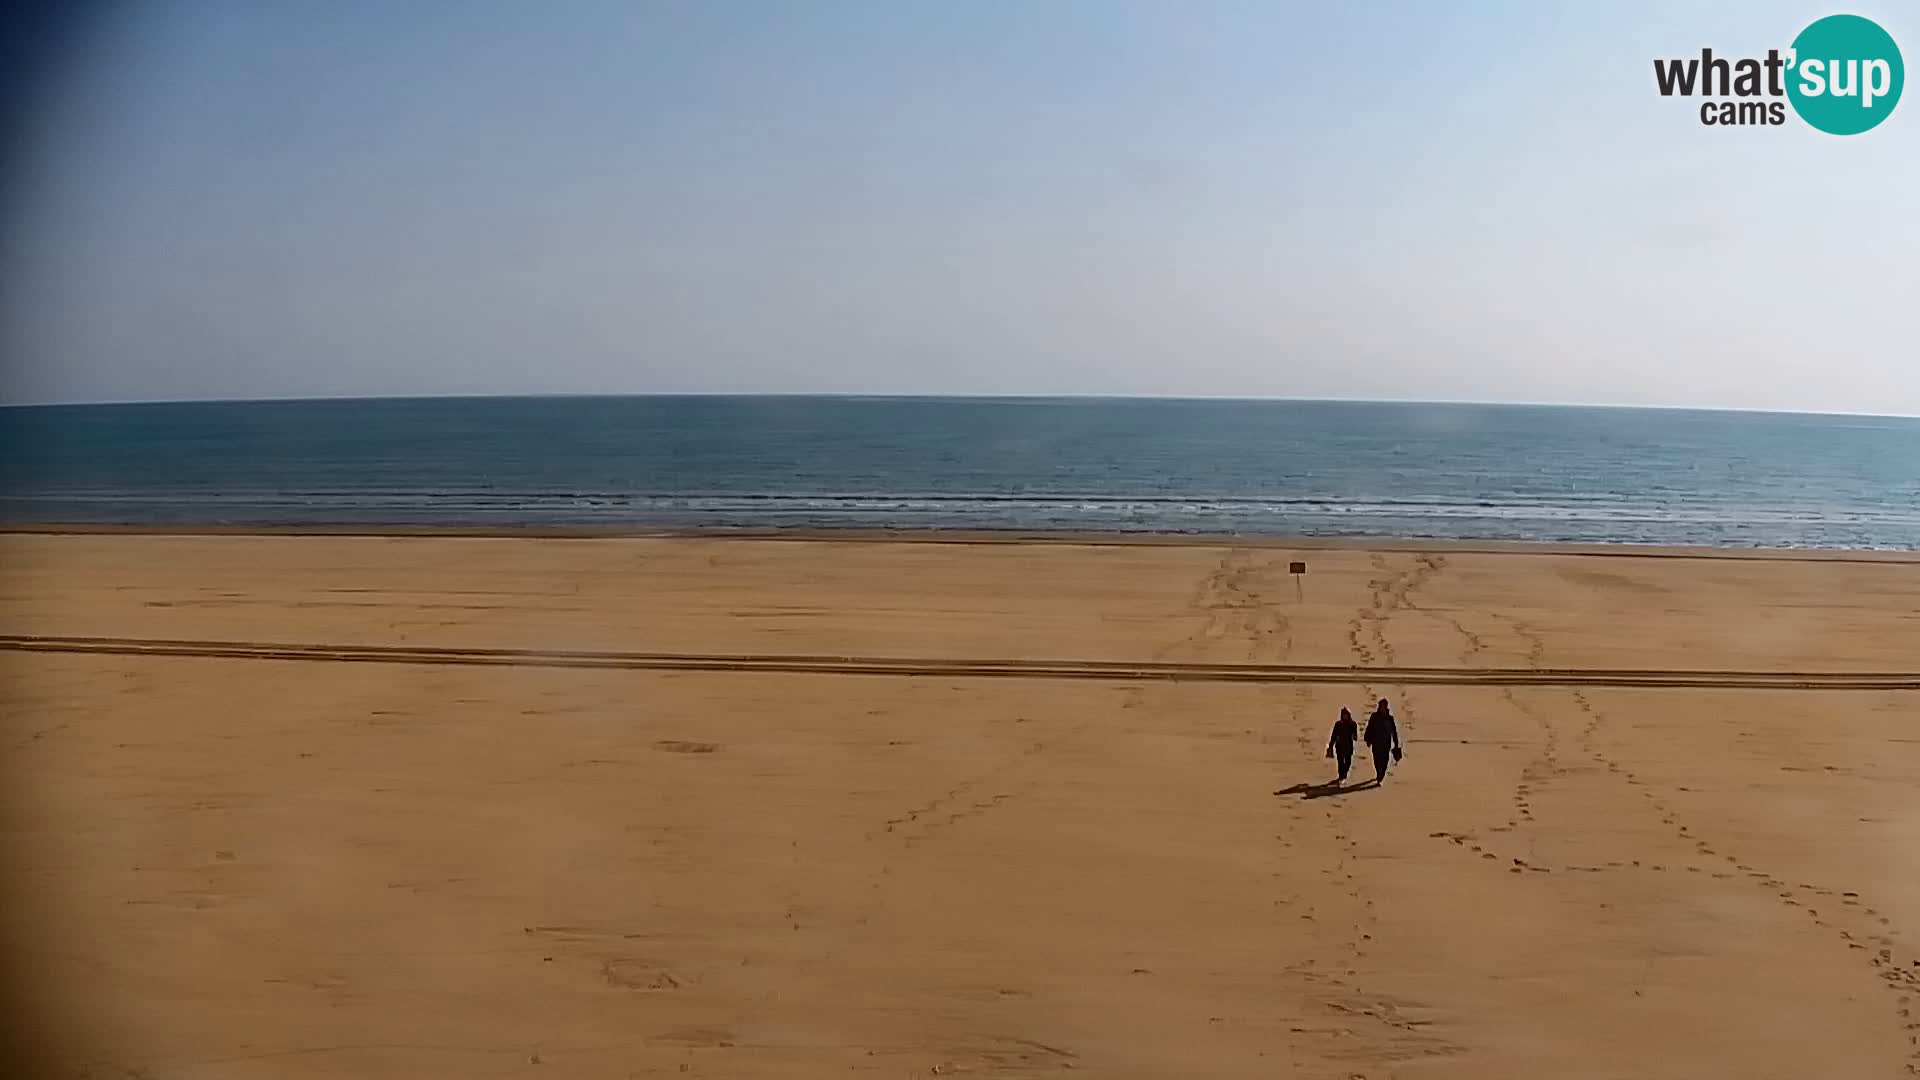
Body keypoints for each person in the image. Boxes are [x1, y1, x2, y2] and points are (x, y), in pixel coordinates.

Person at [1363, 698, 1402, 783]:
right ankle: (1378, 774)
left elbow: (1394, 731)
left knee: (1385, 760)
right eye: (1381, 706)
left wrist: (1396, 743)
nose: (1383, 708)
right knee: (1377, 760)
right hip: (1376, 742)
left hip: (1386, 743)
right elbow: (1369, 728)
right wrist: (1367, 739)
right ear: (1379, 707)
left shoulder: (1390, 718)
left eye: (1384, 706)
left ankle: (1382, 775)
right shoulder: (1374, 716)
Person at [1325, 707, 1359, 782]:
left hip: (1349, 746)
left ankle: (1344, 774)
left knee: (1348, 762)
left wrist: (1355, 736)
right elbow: (1333, 735)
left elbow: (1355, 735)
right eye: (1344, 714)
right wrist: (1331, 745)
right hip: (1339, 746)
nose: (1345, 716)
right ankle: (1341, 776)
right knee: (1340, 762)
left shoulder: (1353, 724)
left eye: (1346, 714)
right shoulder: (1338, 724)